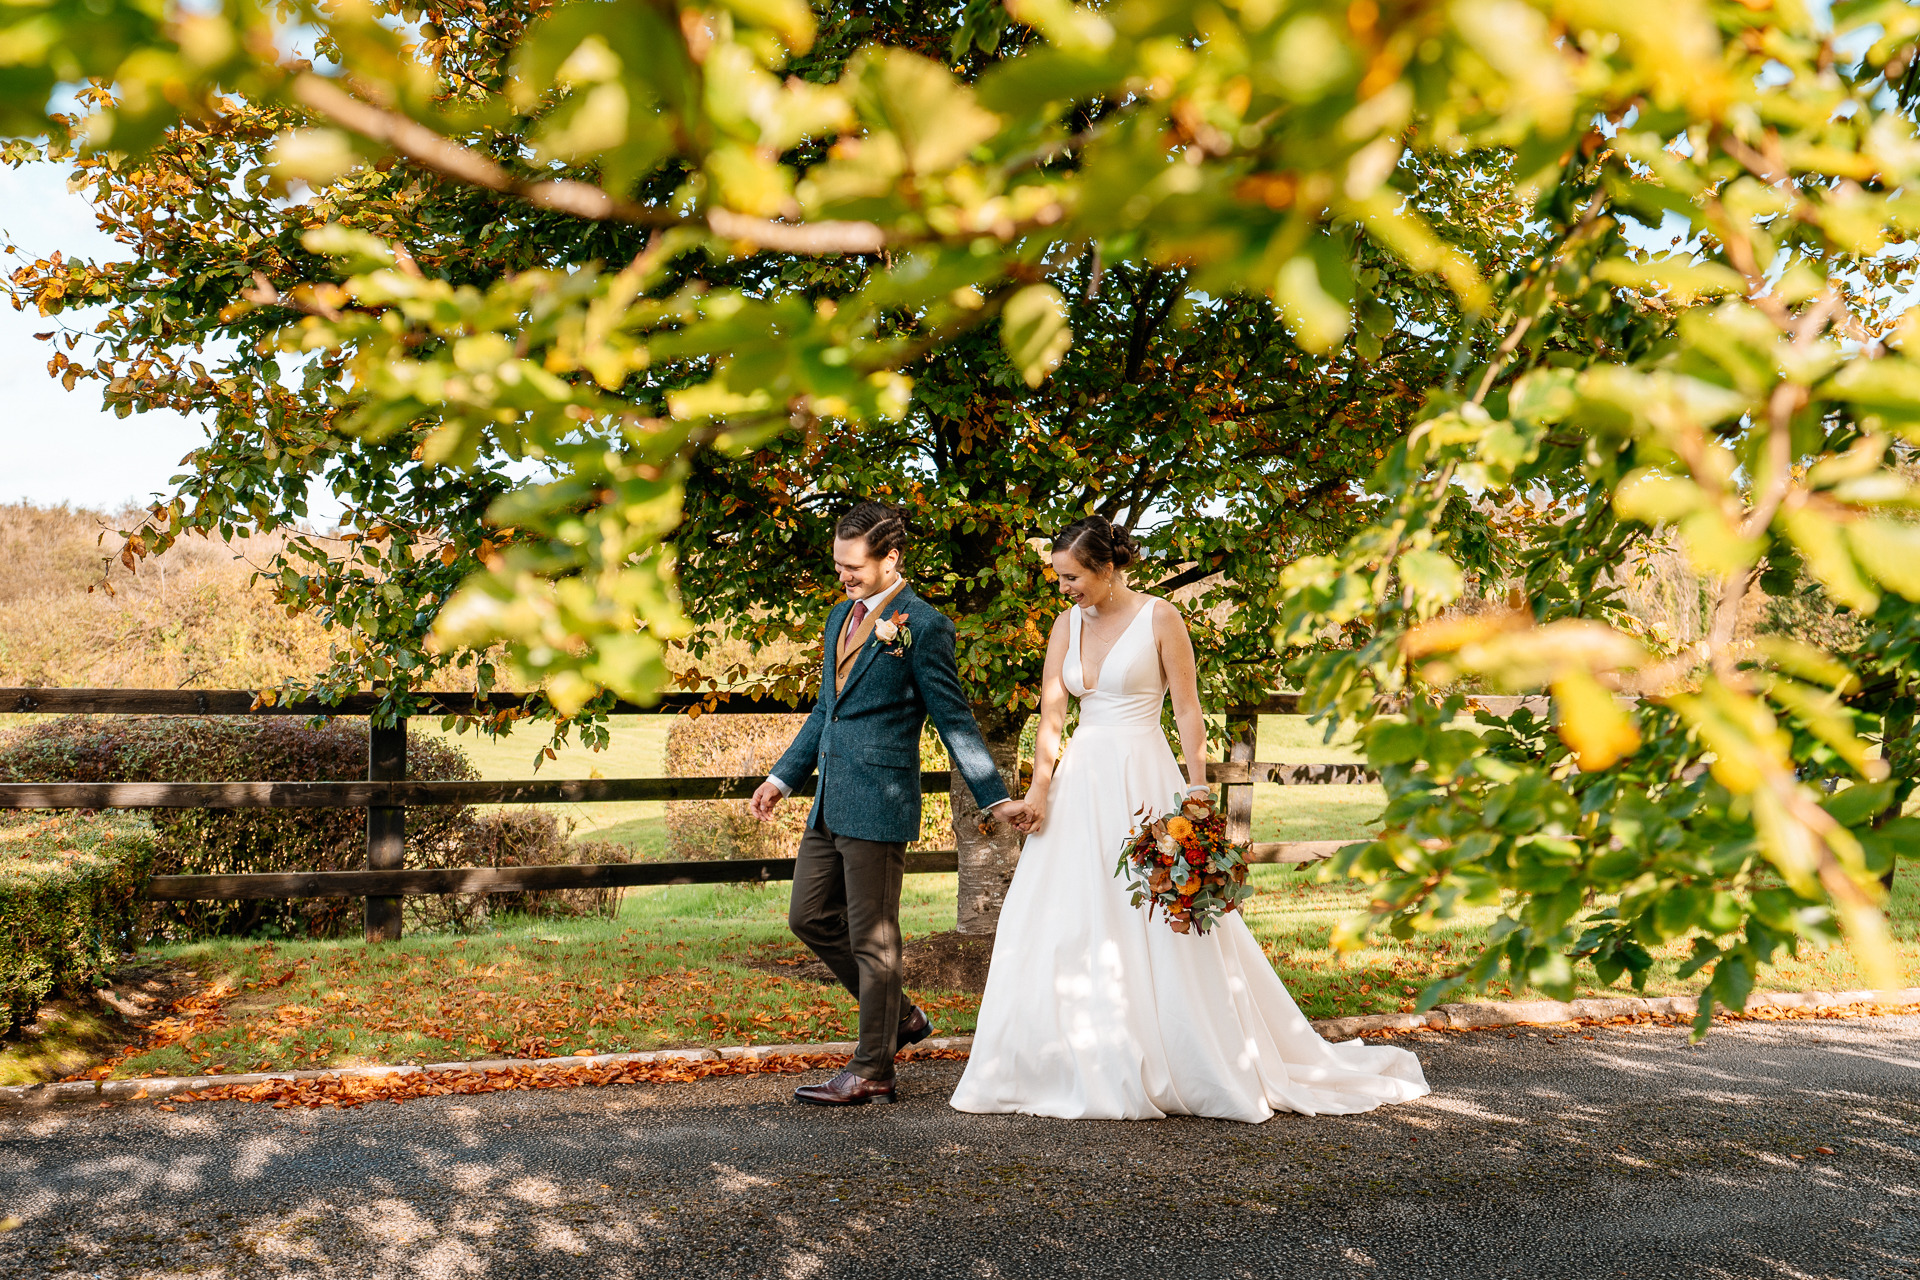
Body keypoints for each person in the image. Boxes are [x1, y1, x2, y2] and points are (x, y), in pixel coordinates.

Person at [949, 515, 1430, 1122]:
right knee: (1064, 911)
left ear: (1107, 568)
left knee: (1151, 910)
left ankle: (1179, 1054)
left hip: (1144, 778)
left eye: (1071, 577)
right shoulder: (1063, 624)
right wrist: (1039, 791)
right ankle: (1068, 1058)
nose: (1063, 588)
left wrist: (1198, 793)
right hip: (1082, 780)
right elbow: (1051, 716)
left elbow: (1187, 709)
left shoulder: (1159, 618)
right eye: (1059, 578)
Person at [751, 500, 1031, 1106]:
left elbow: (954, 718)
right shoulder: (838, 619)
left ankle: (873, 1067)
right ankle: (900, 1018)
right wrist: (783, 778)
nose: (845, 578)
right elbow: (827, 710)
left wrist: (994, 796)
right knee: (809, 917)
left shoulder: (923, 626)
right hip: (829, 798)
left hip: (879, 799)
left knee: (873, 938)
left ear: (890, 559)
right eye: (838, 566)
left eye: (854, 567)